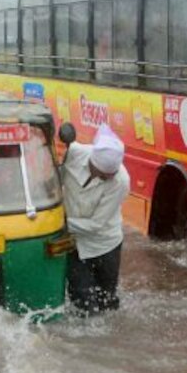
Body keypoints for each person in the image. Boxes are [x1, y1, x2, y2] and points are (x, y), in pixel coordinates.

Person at [59, 123, 129, 313]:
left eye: (111, 175)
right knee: (81, 301)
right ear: (93, 164)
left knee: (107, 301)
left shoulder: (120, 181)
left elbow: (96, 224)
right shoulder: (74, 154)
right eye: (104, 175)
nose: (109, 178)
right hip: (74, 243)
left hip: (105, 245)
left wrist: (60, 225)